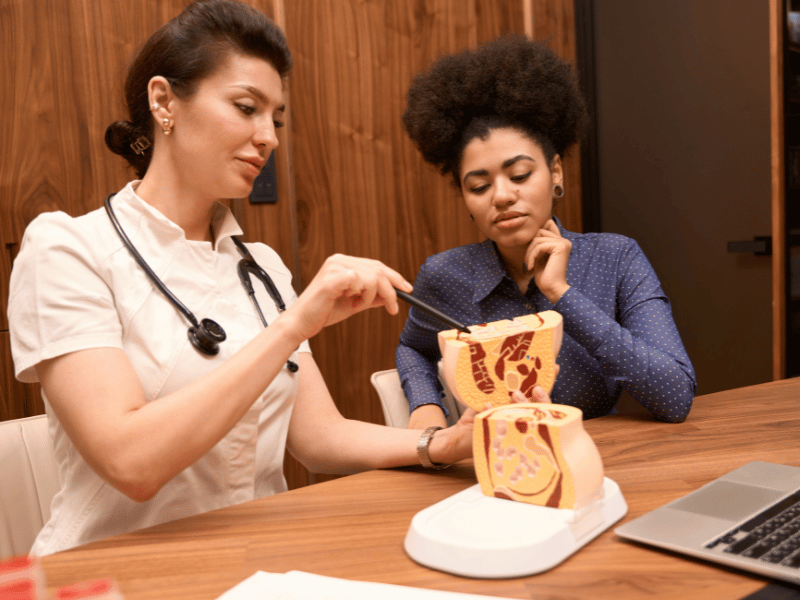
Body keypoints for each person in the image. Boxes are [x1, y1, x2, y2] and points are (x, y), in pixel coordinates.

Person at [9, 0, 542, 556]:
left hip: (258, 559)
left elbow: (317, 438)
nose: (269, 137)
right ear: (163, 100)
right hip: (120, 573)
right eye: (246, 107)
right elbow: (130, 461)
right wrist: (292, 326)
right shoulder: (67, 248)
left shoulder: (259, 266)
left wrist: (439, 443)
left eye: (276, 119)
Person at [396, 35, 696, 429]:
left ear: (555, 171)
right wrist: (424, 406)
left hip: (601, 459)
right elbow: (413, 348)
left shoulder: (616, 258)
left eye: (519, 175)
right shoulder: (444, 276)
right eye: (479, 186)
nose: (502, 196)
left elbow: (675, 396)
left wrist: (561, 294)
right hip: (492, 469)